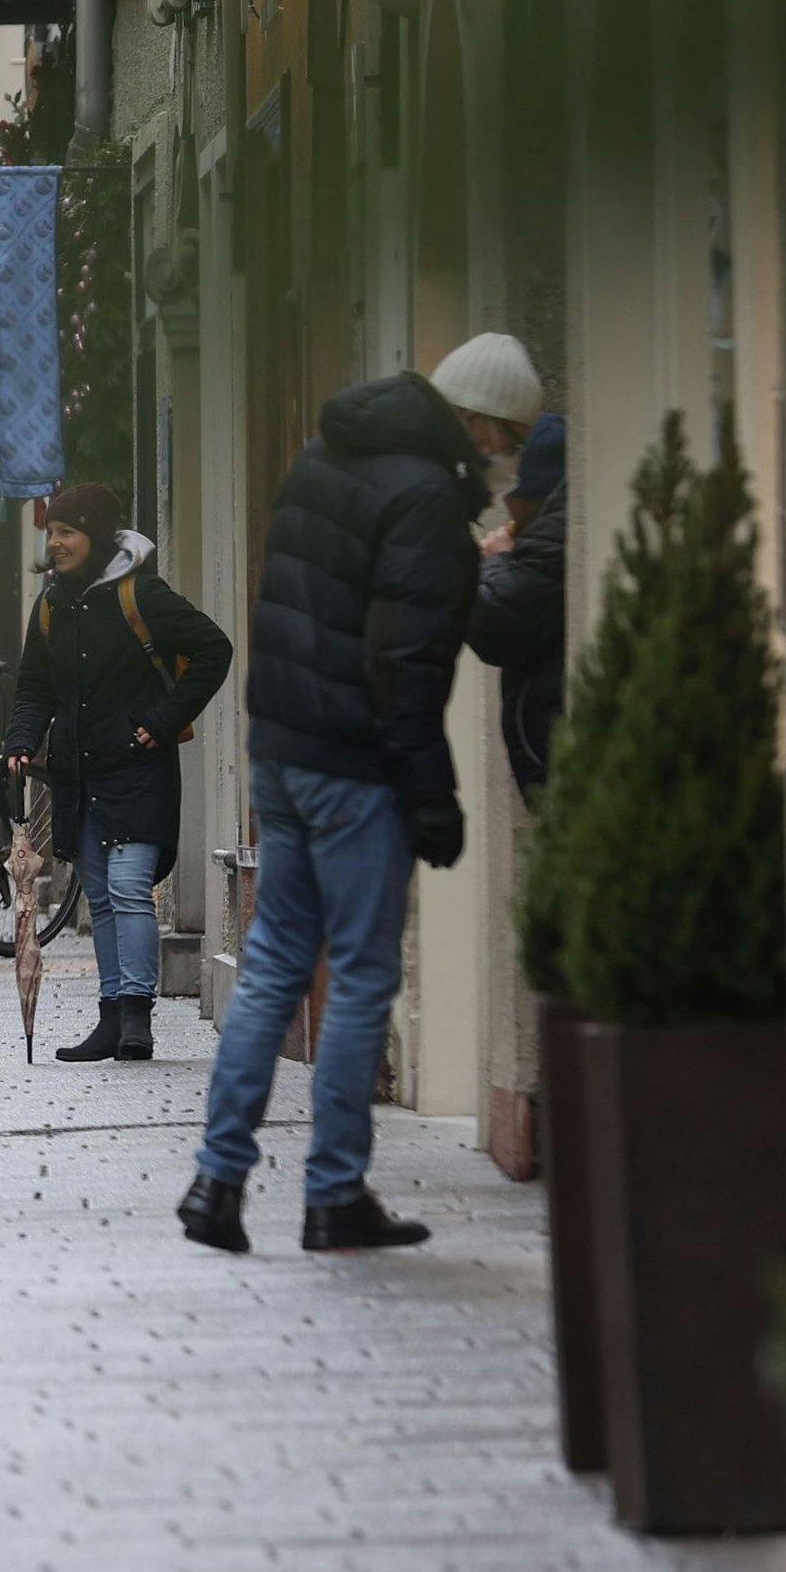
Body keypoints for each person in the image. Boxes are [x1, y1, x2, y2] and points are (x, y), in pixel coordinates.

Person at [183, 345, 526, 1255]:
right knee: (365, 975)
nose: (503, 459)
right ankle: (334, 1194)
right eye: (506, 439)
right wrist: (432, 791)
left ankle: (217, 1181)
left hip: (282, 747)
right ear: (479, 421)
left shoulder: (323, 457)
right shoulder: (425, 495)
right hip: (356, 764)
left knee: (273, 962)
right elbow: (405, 660)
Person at [2, 483, 233, 1064]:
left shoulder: (141, 594)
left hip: (136, 766)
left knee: (130, 889)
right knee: (102, 896)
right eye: (51, 533)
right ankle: (110, 1018)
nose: (55, 543)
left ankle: (136, 1016)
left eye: (68, 532)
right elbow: (34, 686)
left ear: (98, 535)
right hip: (79, 774)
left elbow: (214, 648)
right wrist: (21, 740)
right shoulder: (51, 606)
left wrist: (164, 718)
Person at [469, 381, 567, 804]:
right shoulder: (549, 531)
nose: (507, 506)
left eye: (516, 494)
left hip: (554, 755)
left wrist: (495, 563)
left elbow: (495, 625)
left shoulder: (551, 538)